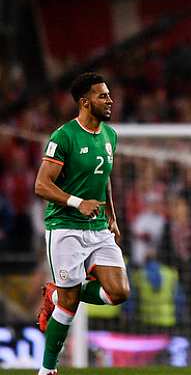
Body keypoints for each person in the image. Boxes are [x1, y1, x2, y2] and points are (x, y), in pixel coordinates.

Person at [34, 73, 130, 375]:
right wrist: (77, 202)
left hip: (98, 226)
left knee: (119, 292)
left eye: (109, 95)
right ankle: (47, 370)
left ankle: (56, 292)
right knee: (69, 305)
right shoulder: (63, 137)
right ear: (85, 102)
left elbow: (105, 180)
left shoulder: (110, 136)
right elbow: (41, 185)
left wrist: (112, 215)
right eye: (103, 96)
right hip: (65, 227)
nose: (110, 100)